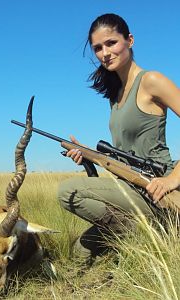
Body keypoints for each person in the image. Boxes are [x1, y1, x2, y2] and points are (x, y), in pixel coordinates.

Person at [57, 13, 180, 268]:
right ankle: (150, 232)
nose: (105, 53)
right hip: (131, 186)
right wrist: (89, 156)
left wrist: (172, 179)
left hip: (156, 188)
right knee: (80, 250)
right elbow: (123, 156)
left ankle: (152, 234)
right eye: (98, 48)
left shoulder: (151, 81)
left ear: (130, 40)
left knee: (67, 192)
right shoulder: (116, 96)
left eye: (111, 43)